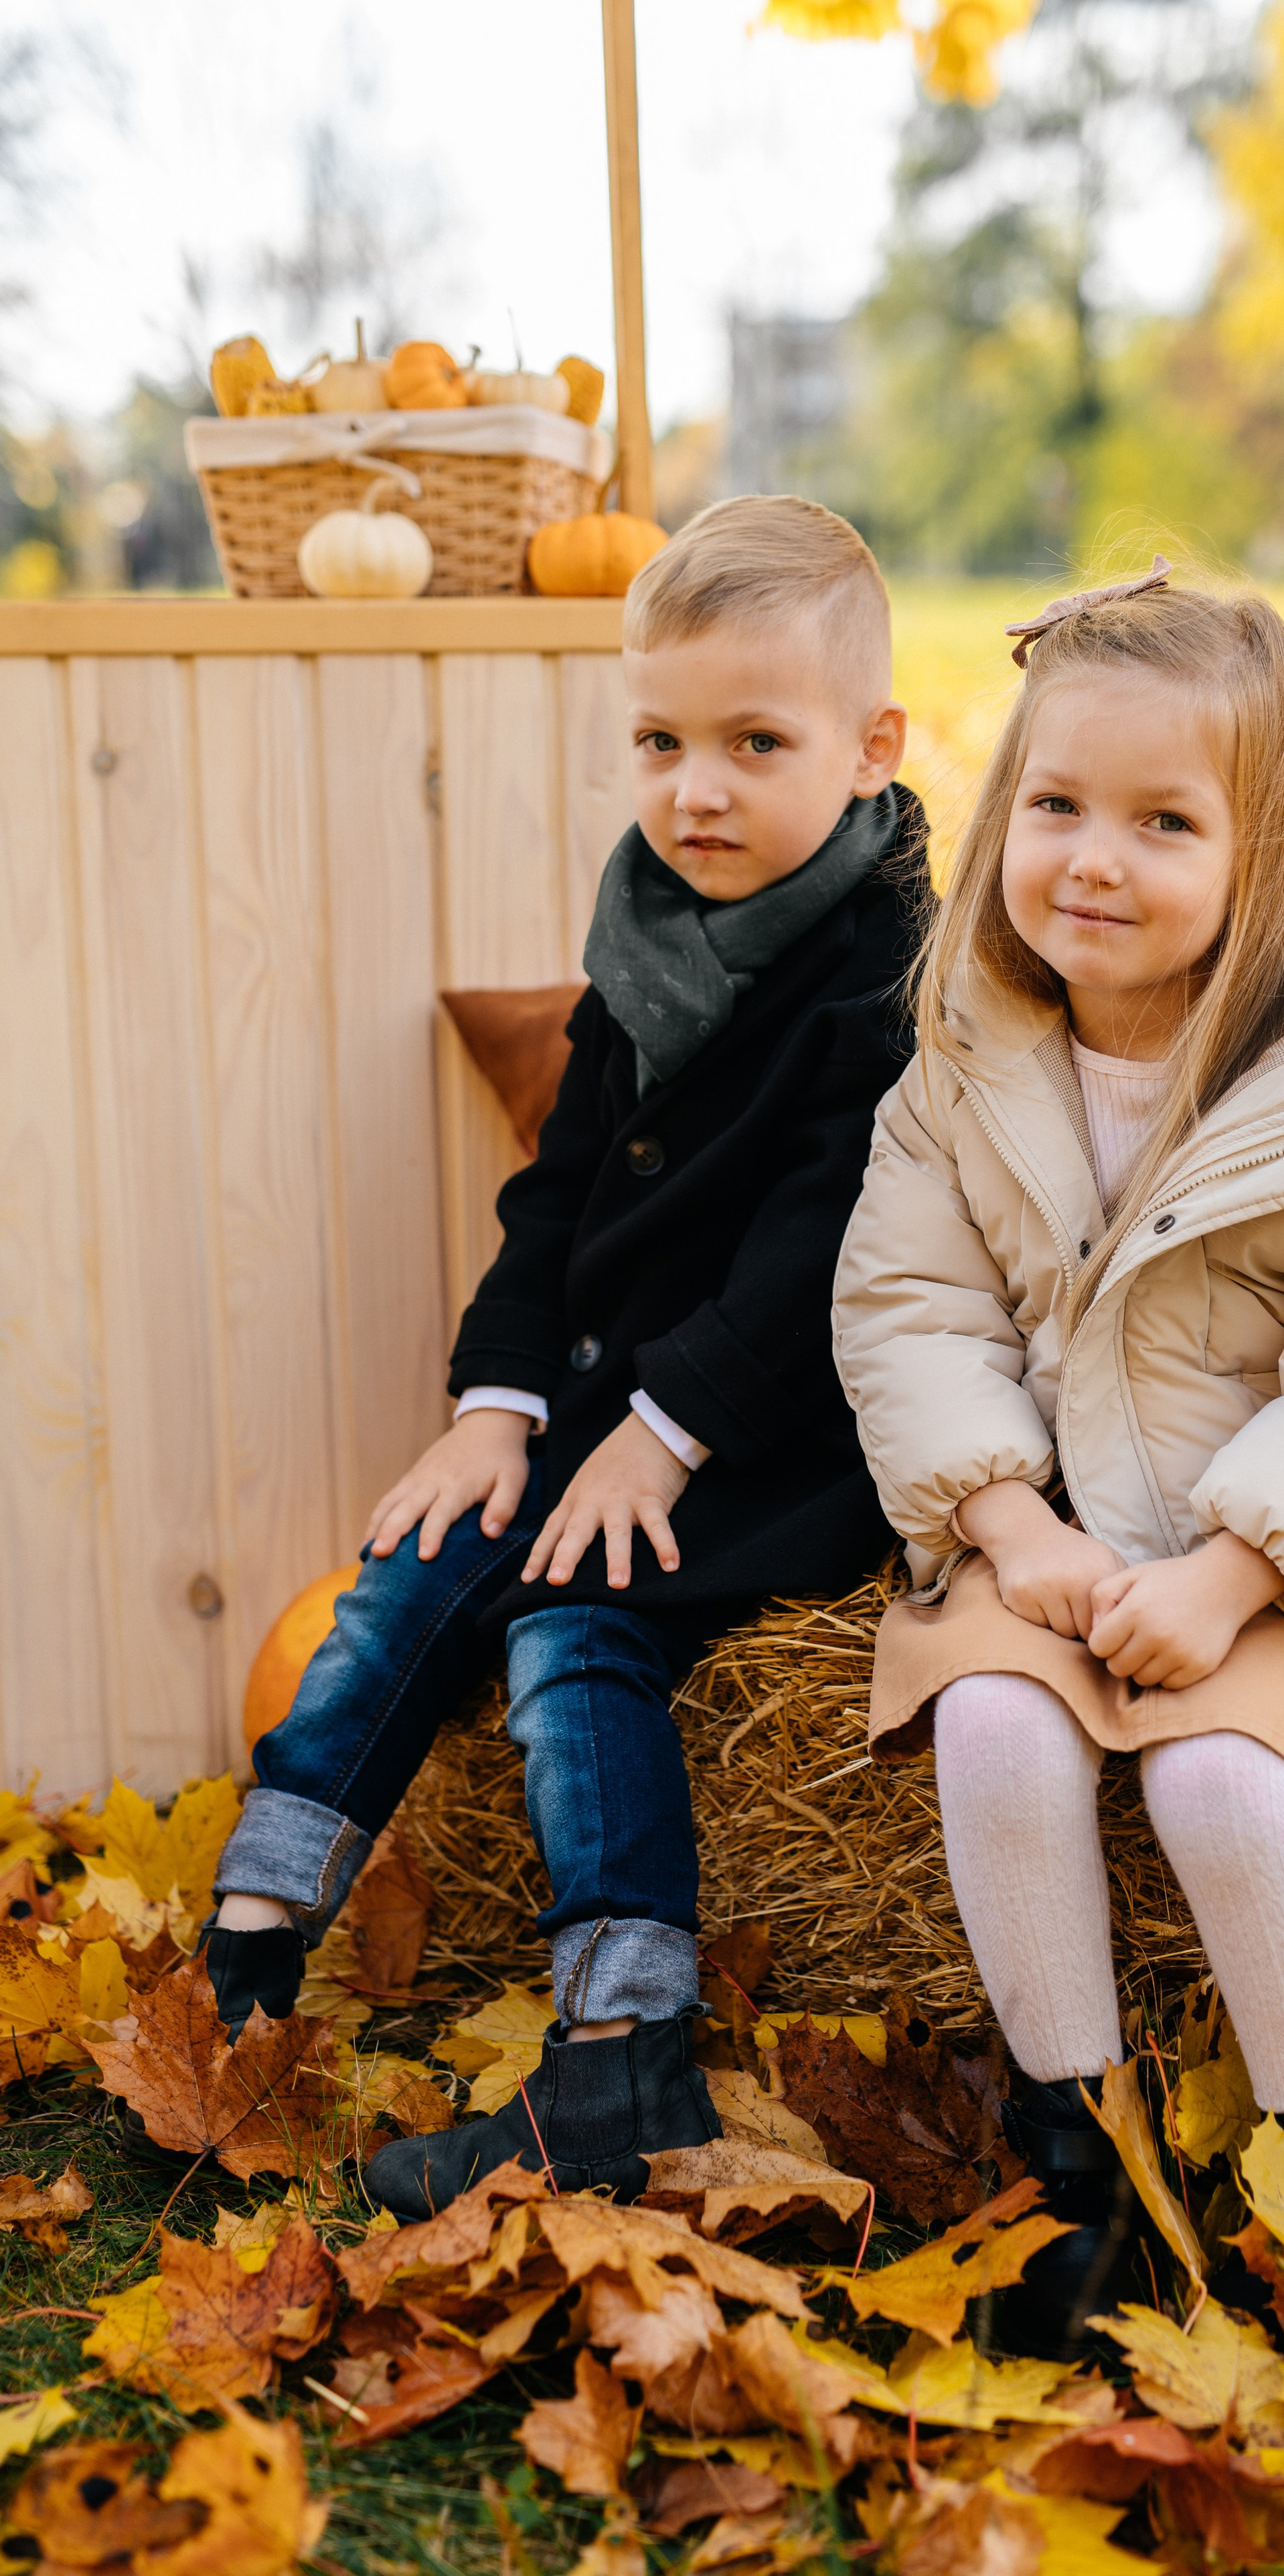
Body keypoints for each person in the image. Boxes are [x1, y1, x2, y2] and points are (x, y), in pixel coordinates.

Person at [199, 495, 925, 2217]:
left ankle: (625, 2048)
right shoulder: (648, 941)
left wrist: (662, 1432)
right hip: (602, 1404)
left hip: (769, 1431)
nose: (697, 789)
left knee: (570, 1633)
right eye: (661, 741)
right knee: (410, 1567)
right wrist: (497, 1403)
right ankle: (252, 1933)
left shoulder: (886, 974)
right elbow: (556, 1197)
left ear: (872, 745)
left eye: (757, 744)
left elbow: (831, 1243)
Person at [831, 568, 1284, 2357]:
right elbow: (908, 1300)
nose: (1093, 862)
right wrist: (1001, 1517)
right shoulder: (969, 1061)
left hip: (1278, 1556)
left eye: (1163, 822)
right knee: (993, 1723)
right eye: (1055, 806)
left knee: (1221, 1786)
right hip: (1048, 1532)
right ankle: (1082, 2166)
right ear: (1002, 816)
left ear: (1261, 848)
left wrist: (1231, 1575)